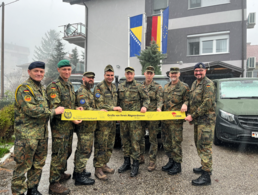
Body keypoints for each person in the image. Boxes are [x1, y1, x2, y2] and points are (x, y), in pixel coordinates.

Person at [11, 61, 65, 195]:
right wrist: (54, 112)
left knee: (38, 165)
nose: (39, 74)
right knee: (22, 166)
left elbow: (48, 107)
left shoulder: (40, 88)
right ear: (29, 72)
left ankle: (33, 190)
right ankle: (18, 192)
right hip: (26, 137)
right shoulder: (24, 89)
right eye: (36, 71)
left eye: (41, 72)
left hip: (41, 135)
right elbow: (32, 110)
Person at [46, 60, 82, 194]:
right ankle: (53, 184)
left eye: (69, 69)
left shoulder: (70, 85)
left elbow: (69, 105)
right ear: (58, 70)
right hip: (59, 128)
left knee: (67, 152)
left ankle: (60, 173)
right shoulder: (54, 86)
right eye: (64, 69)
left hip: (68, 127)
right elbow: (56, 108)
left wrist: (76, 108)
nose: (67, 72)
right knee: (58, 154)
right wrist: (72, 118)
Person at [185, 62, 216, 186]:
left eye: (200, 71)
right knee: (199, 145)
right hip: (199, 121)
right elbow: (192, 100)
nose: (198, 73)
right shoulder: (195, 83)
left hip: (206, 122)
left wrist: (192, 115)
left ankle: (206, 176)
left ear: (205, 71)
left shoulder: (208, 84)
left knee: (205, 148)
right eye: (196, 71)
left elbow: (207, 104)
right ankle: (204, 167)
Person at [117, 66, 150, 177]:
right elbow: (117, 101)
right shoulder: (120, 86)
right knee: (125, 141)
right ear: (125, 74)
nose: (129, 75)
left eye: (131, 73)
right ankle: (127, 163)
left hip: (135, 121)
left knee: (135, 142)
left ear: (134, 74)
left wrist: (144, 106)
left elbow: (146, 98)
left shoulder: (139, 86)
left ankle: (135, 164)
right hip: (124, 120)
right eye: (127, 73)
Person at [93, 65, 122, 180]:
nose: (110, 77)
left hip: (112, 123)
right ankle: (98, 169)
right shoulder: (99, 87)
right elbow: (99, 104)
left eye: (111, 75)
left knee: (110, 144)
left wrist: (117, 115)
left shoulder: (114, 87)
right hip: (103, 123)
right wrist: (113, 108)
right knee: (101, 145)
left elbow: (116, 101)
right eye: (108, 75)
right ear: (104, 75)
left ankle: (104, 164)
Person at [161, 67, 189, 175]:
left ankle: (178, 165)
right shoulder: (166, 87)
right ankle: (171, 161)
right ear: (169, 74)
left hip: (176, 121)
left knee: (176, 142)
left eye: (175, 73)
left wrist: (185, 104)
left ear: (179, 74)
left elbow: (188, 98)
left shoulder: (184, 87)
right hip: (165, 120)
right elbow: (162, 101)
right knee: (167, 142)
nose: (173, 75)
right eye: (172, 73)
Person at [73, 71, 99, 185]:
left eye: (92, 78)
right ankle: (79, 177)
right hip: (84, 127)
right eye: (89, 78)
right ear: (83, 79)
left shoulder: (88, 91)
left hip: (89, 127)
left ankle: (79, 171)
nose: (91, 80)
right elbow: (86, 109)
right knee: (84, 151)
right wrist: (99, 112)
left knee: (84, 150)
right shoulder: (82, 92)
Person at [139, 66, 163, 171]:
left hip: (153, 116)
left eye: (151, 73)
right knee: (140, 137)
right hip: (142, 115)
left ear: (153, 75)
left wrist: (159, 107)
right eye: (147, 73)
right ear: (144, 74)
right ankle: (141, 157)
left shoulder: (158, 87)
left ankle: (152, 161)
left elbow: (160, 99)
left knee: (153, 139)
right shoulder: (139, 86)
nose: (149, 75)